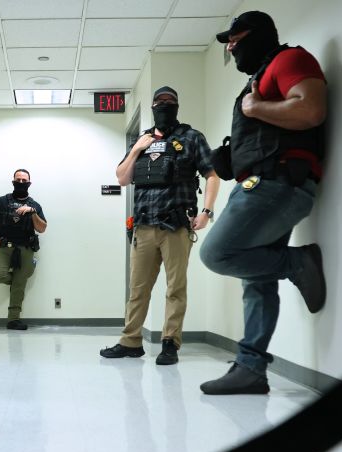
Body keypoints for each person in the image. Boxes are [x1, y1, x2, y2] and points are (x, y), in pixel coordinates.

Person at [199, 11, 328, 395]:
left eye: (236, 38)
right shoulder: (258, 79)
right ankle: (251, 368)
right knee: (257, 280)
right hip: (265, 183)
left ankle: (297, 262)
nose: (231, 46)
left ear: (259, 34)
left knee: (216, 255)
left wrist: (255, 110)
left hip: (275, 186)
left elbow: (310, 109)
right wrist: (232, 157)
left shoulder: (289, 60)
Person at [100, 87, 220, 365]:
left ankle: (170, 343)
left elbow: (212, 175)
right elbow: (121, 177)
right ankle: (130, 342)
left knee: (175, 288)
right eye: (160, 102)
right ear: (153, 106)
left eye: (170, 102)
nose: (164, 105)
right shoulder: (142, 139)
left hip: (176, 225)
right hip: (143, 226)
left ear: (177, 106)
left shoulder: (192, 137)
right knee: (137, 289)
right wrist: (137, 150)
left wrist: (207, 212)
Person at [0, 169, 47, 330]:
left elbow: (42, 228)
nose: (21, 183)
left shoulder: (34, 205)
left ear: (30, 182)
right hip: (4, 246)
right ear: (13, 181)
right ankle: (19, 279)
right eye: (19, 180)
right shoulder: (1, 201)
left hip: (25, 248)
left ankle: (13, 319)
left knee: (19, 283)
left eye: (25, 180)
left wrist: (32, 212)